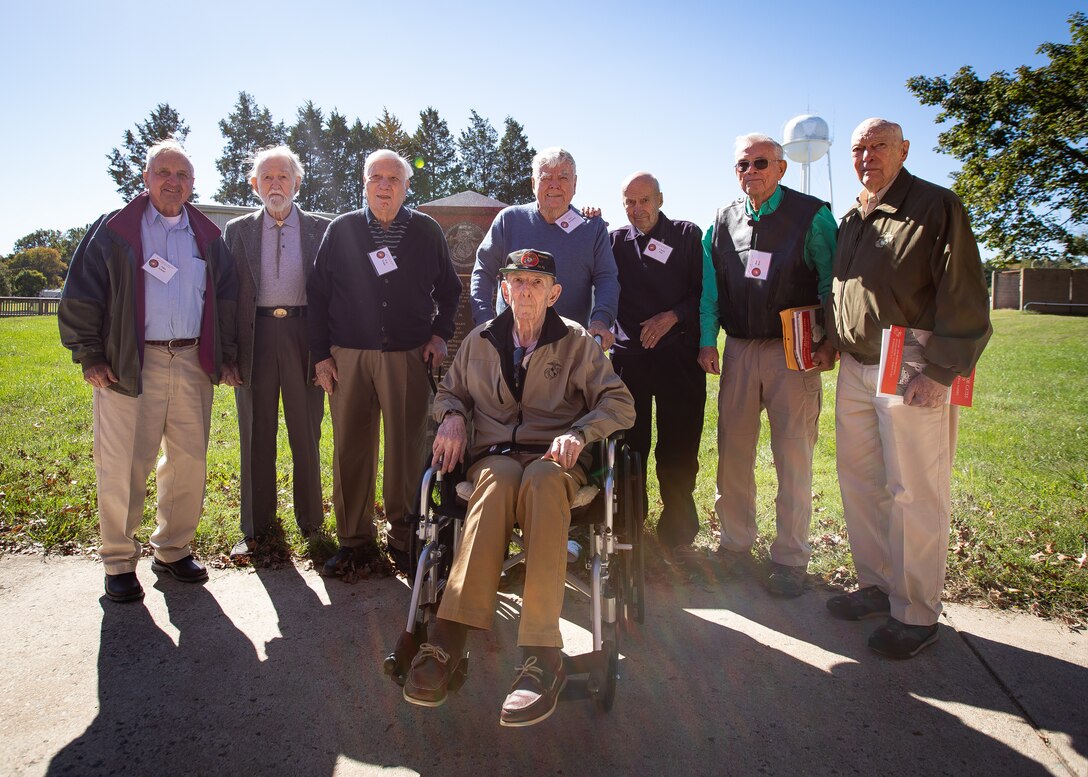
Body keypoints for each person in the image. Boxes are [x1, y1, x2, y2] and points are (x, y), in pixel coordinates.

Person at [403, 248, 635, 727]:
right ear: (503, 289)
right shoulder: (480, 341)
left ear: (554, 293)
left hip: (554, 459)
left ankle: (540, 655)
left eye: (535, 283)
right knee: (494, 483)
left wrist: (580, 432)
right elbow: (451, 392)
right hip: (495, 458)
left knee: (545, 483)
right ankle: (447, 640)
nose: (524, 291)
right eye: (516, 282)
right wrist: (449, 415)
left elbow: (620, 403)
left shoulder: (576, 342)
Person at [824, 118, 991, 658]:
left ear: (904, 150)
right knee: (860, 480)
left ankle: (917, 612)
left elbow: (964, 291)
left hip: (913, 366)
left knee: (915, 490)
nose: (868, 156)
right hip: (855, 365)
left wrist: (940, 372)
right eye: (859, 148)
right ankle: (876, 586)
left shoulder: (936, 207)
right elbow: (846, 289)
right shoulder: (853, 215)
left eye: (879, 146)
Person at [59, 139, 240, 603]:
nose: (173, 182)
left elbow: (225, 299)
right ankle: (119, 560)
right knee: (123, 464)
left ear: (192, 183)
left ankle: (173, 549)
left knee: (189, 462)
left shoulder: (206, 237)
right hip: (130, 364)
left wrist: (225, 356)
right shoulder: (115, 231)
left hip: (192, 361)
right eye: (163, 172)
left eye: (182, 175)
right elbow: (82, 294)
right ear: (146, 178)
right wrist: (90, 354)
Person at [307, 149, 461, 577]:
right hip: (348, 357)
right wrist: (320, 355)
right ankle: (354, 540)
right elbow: (317, 296)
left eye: (394, 179)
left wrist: (439, 335)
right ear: (364, 183)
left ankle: (404, 537)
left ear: (407, 186)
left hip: (407, 357)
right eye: (376, 177)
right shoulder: (342, 230)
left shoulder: (426, 231)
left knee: (407, 452)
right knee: (350, 450)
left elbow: (449, 291)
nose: (385, 186)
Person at [698, 133, 838, 597]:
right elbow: (710, 289)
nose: (751, 171)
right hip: (738, 350)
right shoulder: (722, 220)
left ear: (780, 168)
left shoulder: (811, 215)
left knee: (792, 456)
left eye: (761, 163)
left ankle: (790, 558)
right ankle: (735, 546)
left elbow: (830, 283)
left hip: (791, 352)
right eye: (742, 164)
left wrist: (831, 338)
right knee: (733, 455)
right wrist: (706, 340)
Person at [224, 146, 330, 559]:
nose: (275, 184)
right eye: (266, 177)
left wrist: (328, 352)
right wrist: (229, 355)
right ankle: (255, 526)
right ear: (254, 184)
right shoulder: (238, 231)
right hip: (256, 336)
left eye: (283, 176)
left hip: (306, 337)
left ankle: (311, 523)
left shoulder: (322, 229)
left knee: (307, 430)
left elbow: (334, 294)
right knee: (255, 431)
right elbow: (227, 297)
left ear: (297, 182)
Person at [609, 172, 706, 563]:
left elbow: (703, 291)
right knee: (630, 447)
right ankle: (631, 529)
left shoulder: (686, 236)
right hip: (629, 362)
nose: (638, 209)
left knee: (678, 448)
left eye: (644, 200)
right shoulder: (614, 241)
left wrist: (673, 316)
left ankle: (678, 534)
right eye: (629, 202)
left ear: (660, 199)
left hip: (678, 360)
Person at [470, 147, 619, 348]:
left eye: (564, 178)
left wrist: (601, 320)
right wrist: (484, 320)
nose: (554, 185)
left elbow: (606, 278)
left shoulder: (592, 227)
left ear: (575, 184)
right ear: (533, 183)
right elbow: (483, 271)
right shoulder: (509, 220)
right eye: (546, 177)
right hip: (510, 342)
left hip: (570, 344)